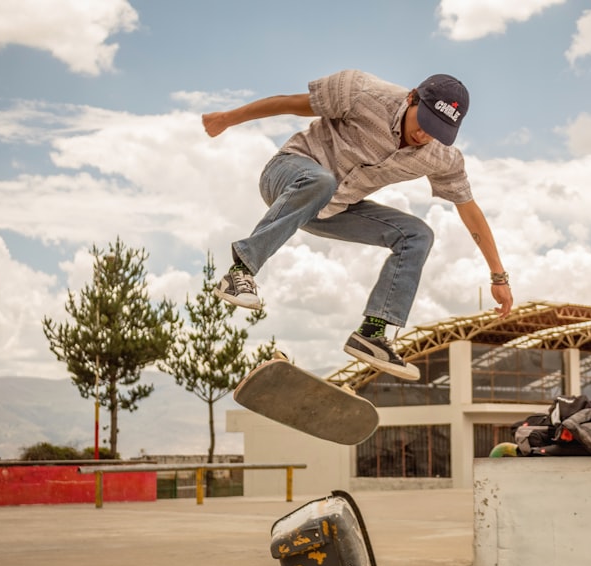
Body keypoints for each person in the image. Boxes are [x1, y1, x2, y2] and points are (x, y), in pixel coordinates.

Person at [202, 70, 513, 381]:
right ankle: (240, 272)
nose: (423, 136)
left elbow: (470, 210)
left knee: (417, 235)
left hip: (332, 211)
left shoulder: (442, 157)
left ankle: (372, 334)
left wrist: (498, 276)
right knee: (321, 181)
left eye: (436, 131)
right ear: (411, 98)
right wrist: (228, 118)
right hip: (287, 176)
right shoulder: (362, 93)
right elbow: (290, 104)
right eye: (424, 123)